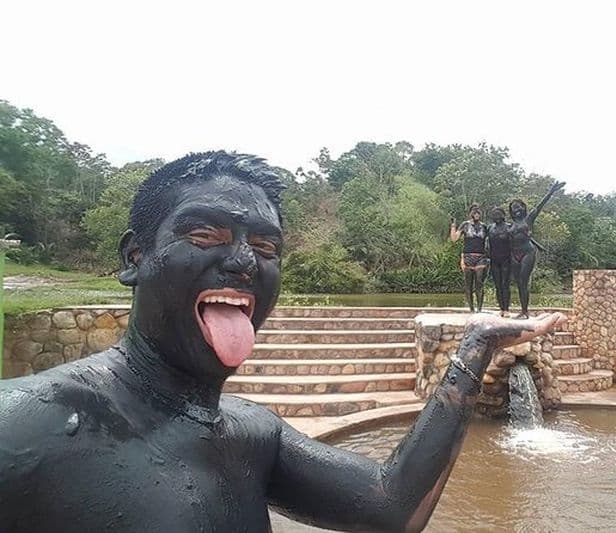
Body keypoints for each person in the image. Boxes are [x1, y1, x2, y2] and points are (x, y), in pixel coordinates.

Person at [0, 151, 566, 533]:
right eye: (206, 235)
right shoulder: (26, 425)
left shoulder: (252, 433)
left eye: (266, 248)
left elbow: (392, 505)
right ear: (134, 257)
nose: (244, 260)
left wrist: (474, 351)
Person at [508, 181, 566, 318]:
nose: (516, 210)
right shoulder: (509, 225)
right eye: (514, 208)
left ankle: (524, 311)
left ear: (523, 208)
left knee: (524, 280)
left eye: (518, 207)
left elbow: (540, 205)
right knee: (519, 283)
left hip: (527, 252)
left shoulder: (529, 219)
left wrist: (551, 191)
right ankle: (523, 310)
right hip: (514, 254)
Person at [450, 204, 490, 312]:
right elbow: (454, 239)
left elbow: (491, 241)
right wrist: (453, 226)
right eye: (474, 212)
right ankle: (471, 309)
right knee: (468, 284)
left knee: (479, 282)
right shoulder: (465, 225)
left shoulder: (484, 227)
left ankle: (479, 309)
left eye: (478, 212)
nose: (477, 214)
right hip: (468, 257)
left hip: (480, 257)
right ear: (470, 213)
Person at [487, 207, 512, 316]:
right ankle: (501, 308)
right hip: (494, 259)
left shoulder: (509, 227)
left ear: (503, 215)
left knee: (505, 284)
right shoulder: (490, 228)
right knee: (497, 285)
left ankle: (506, 308)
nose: (496, 217)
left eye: (498, 214)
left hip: (506, 259)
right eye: (494, 215)